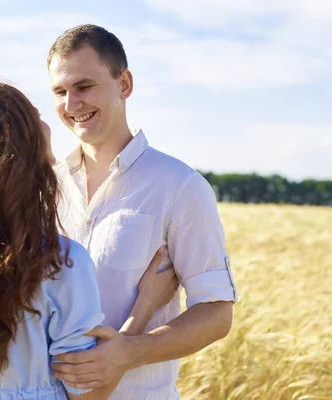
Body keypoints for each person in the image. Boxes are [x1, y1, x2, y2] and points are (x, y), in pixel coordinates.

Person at [0, 82, 177, 399]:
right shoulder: (61, 262)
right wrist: (143, 308)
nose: (48, 118)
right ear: (24, 153)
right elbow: (88, 396)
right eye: (33, 115)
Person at [47, 24, 238, 399]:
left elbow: (217, 314)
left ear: (125, 84)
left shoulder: (180, 186)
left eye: (84, 87)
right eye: (60, 91)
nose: (71, 105)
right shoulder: (43, 188)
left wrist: (131, 353)